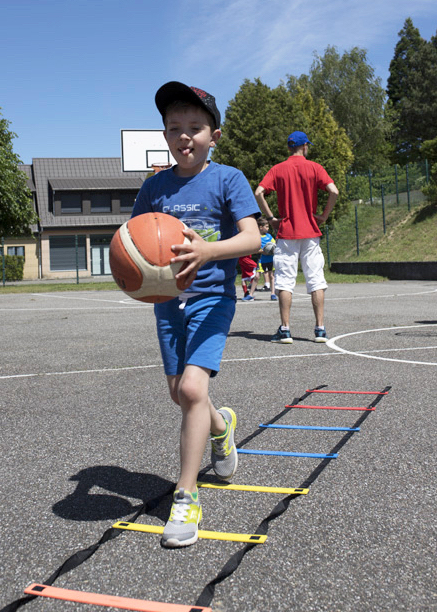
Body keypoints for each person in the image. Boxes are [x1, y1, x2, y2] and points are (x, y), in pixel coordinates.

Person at [131, 81, 260, 547]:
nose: (184, 136)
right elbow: (133, 238)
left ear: (214, 136)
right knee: (180, 395)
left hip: (212, 298)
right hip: (167, 303)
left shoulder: (228, 179)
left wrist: (208, 250)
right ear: (165, 135)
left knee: (190, 388)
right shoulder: (154, 187)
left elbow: (252, 238)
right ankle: (222, 426)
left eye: (195, 127)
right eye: (174, 128)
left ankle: (186, 497)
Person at [255, 131, 339, 344]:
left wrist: (271, 218)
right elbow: (334, 191)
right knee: (316, 280)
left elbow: (258, 192)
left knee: (285, 281)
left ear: (289, 147)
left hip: (287, 232)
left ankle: (285, 330)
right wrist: (324, 216)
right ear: (305, 146)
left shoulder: (278, 169)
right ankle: (320, 330)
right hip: (310, 232)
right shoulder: (315, 167)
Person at [257, 217, 277, 300]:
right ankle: (250, 294)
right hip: (262, 260)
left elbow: (274, 245)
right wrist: (263, 251)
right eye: (266, 226)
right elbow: (255, 249)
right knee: (257, 276)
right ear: (261, 227)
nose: (268, 228)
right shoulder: (257, 237)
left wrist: (272, 251)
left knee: (271, 275)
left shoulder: (269, 236)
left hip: (270, 259)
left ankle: (273, 293)